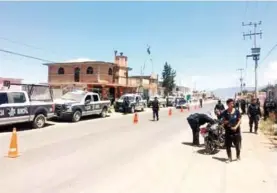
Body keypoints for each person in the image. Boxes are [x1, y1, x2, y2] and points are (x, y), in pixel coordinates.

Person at [221, 98, 242, 163]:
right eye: (231, 103)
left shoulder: (236, 111)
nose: (232, 104)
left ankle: (238, 156)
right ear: (227, 104)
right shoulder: (225, 112)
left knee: (237, 145)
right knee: (228, 146)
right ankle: (229, 158)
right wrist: (224, 122)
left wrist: (236, 127)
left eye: (233, 103)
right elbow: (223, 120)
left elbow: (240, 120)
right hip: (228, 132)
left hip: (236, 132)